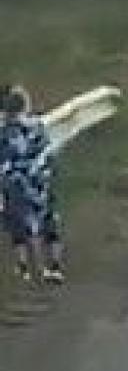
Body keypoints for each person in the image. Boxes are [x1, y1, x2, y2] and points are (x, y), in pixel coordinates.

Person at [0, 85, 64, 284]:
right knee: (49, 224)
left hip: (15, 186)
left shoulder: (4, 133)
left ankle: (26, 268)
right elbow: (49, 152)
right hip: (40, 182)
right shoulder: (38, 126)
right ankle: (53, 266)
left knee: (22, 229)